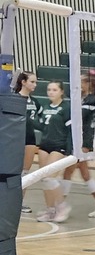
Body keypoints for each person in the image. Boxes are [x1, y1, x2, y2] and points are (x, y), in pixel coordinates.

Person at [63, 71, 95, 218]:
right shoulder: (84, 99)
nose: (78, 84)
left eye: (81, 82)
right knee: (85, 174)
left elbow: (78, 117)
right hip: (80, 139)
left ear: (88, 84)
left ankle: (59, 206)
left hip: (84, 141)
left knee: (68, 171)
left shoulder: (91, 100)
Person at [33, 81, 72, 223]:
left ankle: (62, 206)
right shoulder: (45, 106)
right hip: (44, 145)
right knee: (44, 180)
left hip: (59, 146)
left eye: (54, 90)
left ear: (61, 92)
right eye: (49, 89)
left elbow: (70, 131)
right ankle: (50, 210)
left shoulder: (66, 108)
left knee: (50, 177)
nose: (51, 92)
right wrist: (29, 119)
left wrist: (70, 150)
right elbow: (43, 126)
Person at [16, 71, 40, 214]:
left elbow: (41, 121)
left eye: (35, 82)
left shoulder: (35, 102)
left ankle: (21, 202)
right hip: (14, 138)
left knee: (25, 172)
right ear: (23, 82)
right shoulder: (13, 98)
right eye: (32, 81)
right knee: (11, 170)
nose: (35, 84)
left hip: (29, 139)